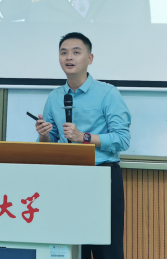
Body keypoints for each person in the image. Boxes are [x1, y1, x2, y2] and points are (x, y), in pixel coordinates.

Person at [36, 32, 131, 259]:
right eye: (63, 53)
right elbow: (50, 144)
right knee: (69, 247)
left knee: (106, 250)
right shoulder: (55, 97)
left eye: (76, 52)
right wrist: (44, 135)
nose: (69, 57)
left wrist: (84, 137)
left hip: (102, 177)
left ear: (90, 58)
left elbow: (122, 139)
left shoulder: (107, 93)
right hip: (65, 177)